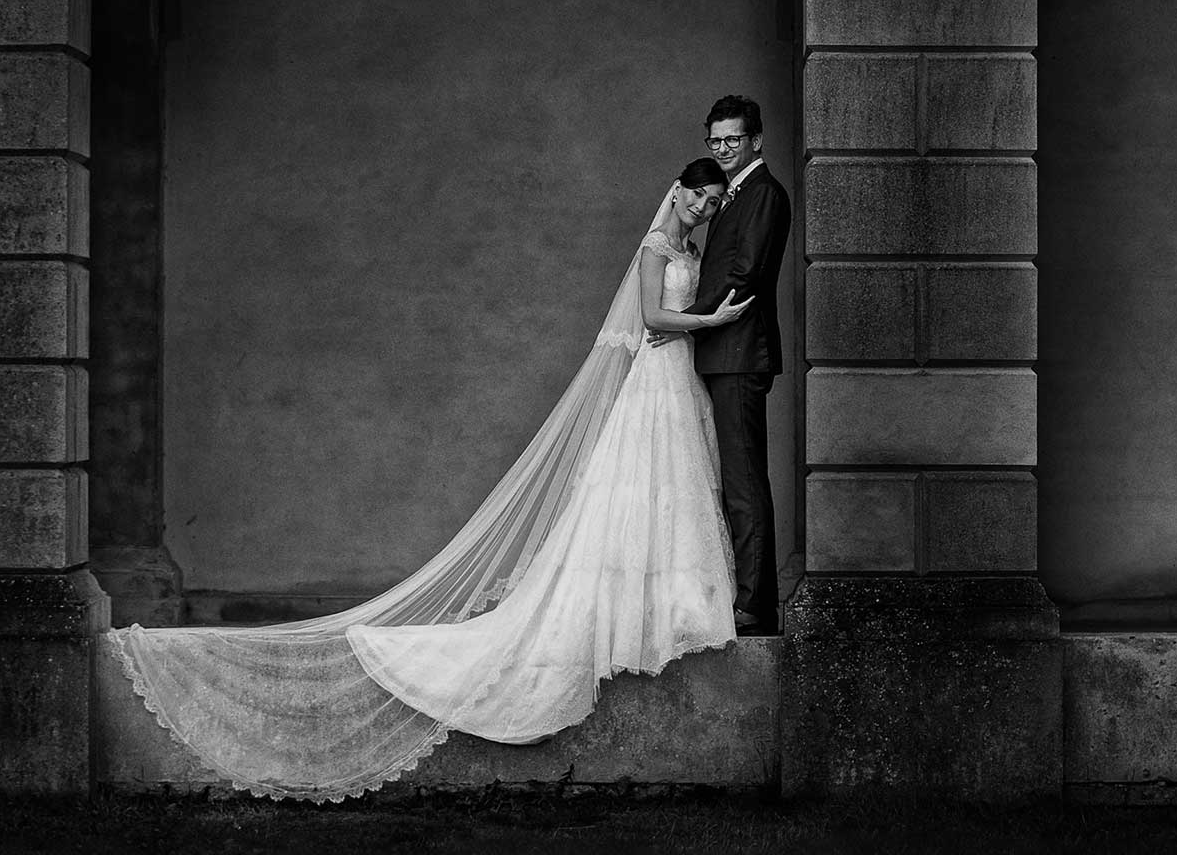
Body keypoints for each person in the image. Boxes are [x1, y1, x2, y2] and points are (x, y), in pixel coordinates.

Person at [112, 158, 753, 801]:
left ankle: (666, 609)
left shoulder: (690, 248)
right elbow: (650, 321)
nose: (703, 207)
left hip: (682, 382)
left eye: (713, 200)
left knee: (670, 496)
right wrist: (710, 323)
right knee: (638, 491)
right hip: (658, 377)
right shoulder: (653, 249)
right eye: (698, 197)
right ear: (677, 191)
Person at [687, 94, 792, 636]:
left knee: (744, 484)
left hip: (739, 354)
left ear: (756, 141)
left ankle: (755, 606)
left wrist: (684, 320)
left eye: (733, 139)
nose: (724, 148)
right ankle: (743, 595)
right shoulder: (730, 195)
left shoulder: (765, 194)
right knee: (730, 481)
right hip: (720, 354)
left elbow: (744, 275)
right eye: (716, 140)